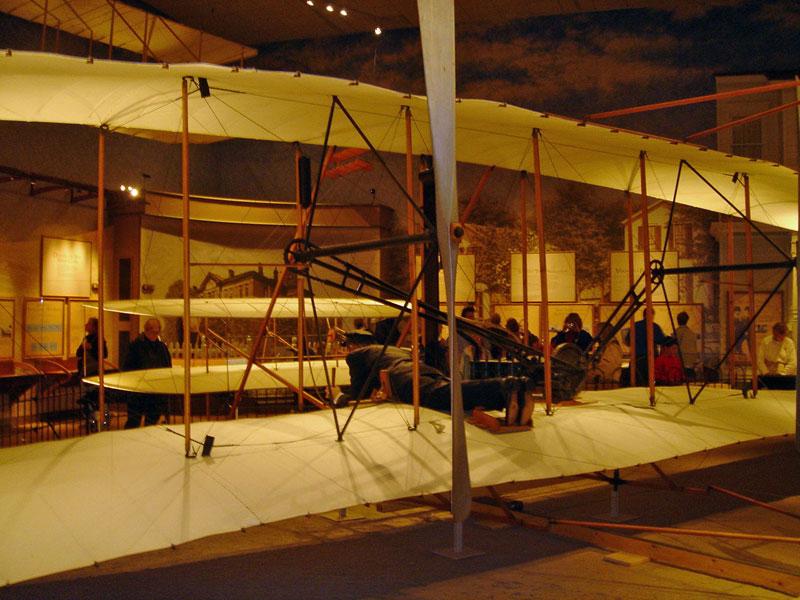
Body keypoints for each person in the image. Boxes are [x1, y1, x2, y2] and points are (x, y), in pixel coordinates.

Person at [342, 330, 532, 426]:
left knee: (438, 396)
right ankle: (517, 390)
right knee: (450, 390)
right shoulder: (388, 349)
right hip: (421, 369)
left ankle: (502, 388)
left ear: (353, 345)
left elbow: (359, 391)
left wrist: (347, 400)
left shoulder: (355, 355)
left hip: (401, 376)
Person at [123, 318, 172, 428]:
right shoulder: (136, 346)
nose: (156, 333)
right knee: (134, 421)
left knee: (151, 421)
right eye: (154, 331)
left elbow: (167, 366)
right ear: (147, 330)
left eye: (157, 331)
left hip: (155, 391)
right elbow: (128, 367)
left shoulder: (161, 347)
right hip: (138, 391)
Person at [76, 317, 108, 431]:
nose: (86, 325)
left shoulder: (99, 339)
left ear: (94, 327)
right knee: (88, 399)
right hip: (85, 372)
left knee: (95, 398)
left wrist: (91, 348)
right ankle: (90, 421)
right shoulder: (86, 338)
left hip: (94, 373)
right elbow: (78, 353)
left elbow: (104, 354)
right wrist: (83, 348)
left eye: (89, 324)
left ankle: (99, 421)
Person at [627, 308, 669, 386]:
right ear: (652, 315)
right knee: (649, 382)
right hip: (650, 359)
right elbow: (661, 340)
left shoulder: (635, 325)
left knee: (637, 381)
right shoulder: (654, 327)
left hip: (637, 358)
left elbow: (628, 341)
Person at [675, 311, 699, 380]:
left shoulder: (676, 332)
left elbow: (674, 348)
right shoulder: (691, 333)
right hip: (691, 362)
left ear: (678, 320)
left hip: (681, 361)